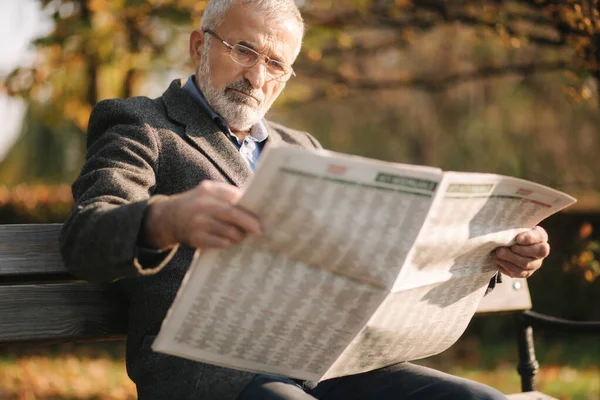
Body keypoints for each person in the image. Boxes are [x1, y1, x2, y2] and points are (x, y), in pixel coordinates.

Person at [60, 0, 551, 399]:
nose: (257, 78)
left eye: (276, 64)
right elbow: (85, 236)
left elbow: (375, 256)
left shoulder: (304, 149)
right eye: (243, 50)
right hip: (210, 370)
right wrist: (162, 219)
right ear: (198, 46)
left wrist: (492, 259)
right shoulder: (142, 124)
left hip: (329, 361)